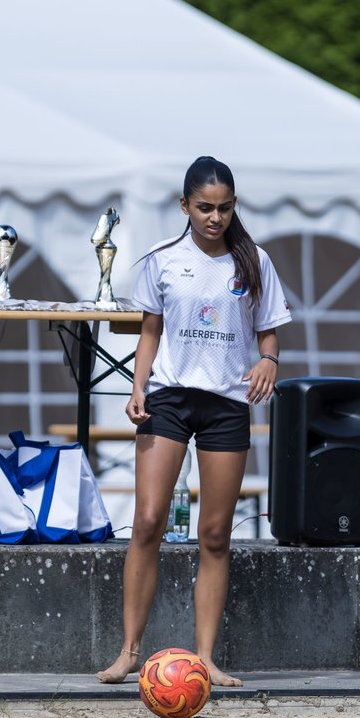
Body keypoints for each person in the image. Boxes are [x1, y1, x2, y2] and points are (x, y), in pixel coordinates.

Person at [96, 156, 291, 687]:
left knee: (214, 534)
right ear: (184, 206)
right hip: (170, 400)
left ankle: (205, 658)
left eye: (225, 208)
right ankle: (129, 650)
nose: (215, 217)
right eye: (205, 207)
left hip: (227, 404)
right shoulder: (160, 261)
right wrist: (137, 389)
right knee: (148, 522)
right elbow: (150, 333)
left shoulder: (254, 262)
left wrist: (268, 362)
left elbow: (269, 332)